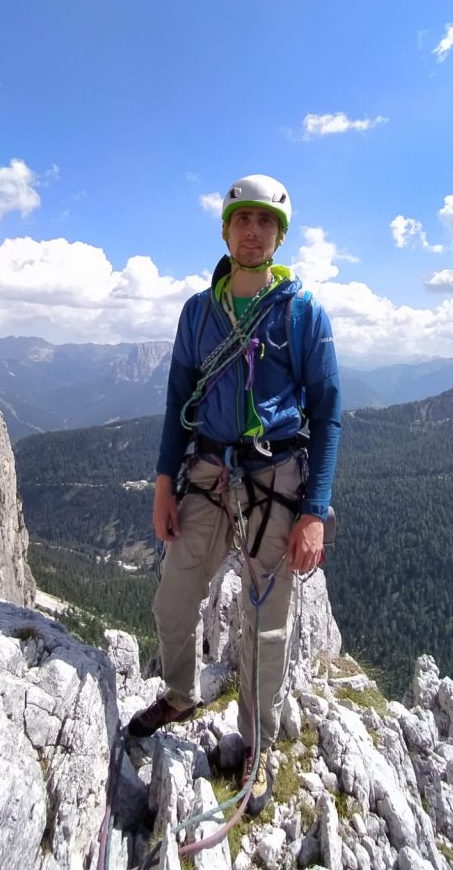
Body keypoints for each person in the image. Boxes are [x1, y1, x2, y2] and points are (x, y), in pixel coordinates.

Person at [128, 174, 341, 815]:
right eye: (243, 220)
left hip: (276, 481)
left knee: (265, 625)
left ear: (279, 236)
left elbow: (328, 414)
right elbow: (178, 400)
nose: (253, 231)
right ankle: (180, 693)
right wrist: (163, 484)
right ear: (226, 231)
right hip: (207, 472)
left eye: (265, 221)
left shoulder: (302, 314)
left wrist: (314, 512)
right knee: (173, 599)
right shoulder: (198, 313)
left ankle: (256, 743)